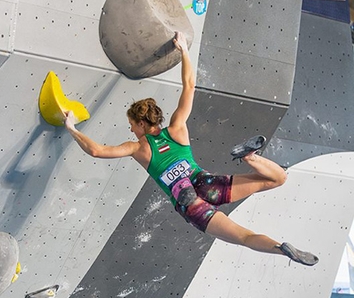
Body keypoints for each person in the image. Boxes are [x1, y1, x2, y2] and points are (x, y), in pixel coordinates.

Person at [64, 32, 318, 266]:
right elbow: (189, 86)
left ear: (141, 123)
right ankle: (250, 158)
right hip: (205, 181)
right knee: (278, 178)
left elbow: (97, 151)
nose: (131, 130)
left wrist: (72, 128)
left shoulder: (138, 148)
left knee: (243, 236)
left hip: (188, 202)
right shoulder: (176, 129)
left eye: (132, 125)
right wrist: (184, 49)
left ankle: (279, 248)